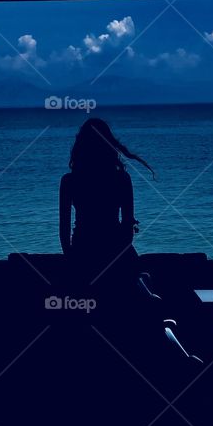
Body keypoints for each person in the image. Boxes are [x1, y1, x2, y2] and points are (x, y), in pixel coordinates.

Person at [58, 118, 153, 299]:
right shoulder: (121, 179)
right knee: (140, 285)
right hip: (116, 248)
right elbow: (127, 230)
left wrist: (73, 261)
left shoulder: (69, 182)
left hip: (83, 249)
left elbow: (64, 232)